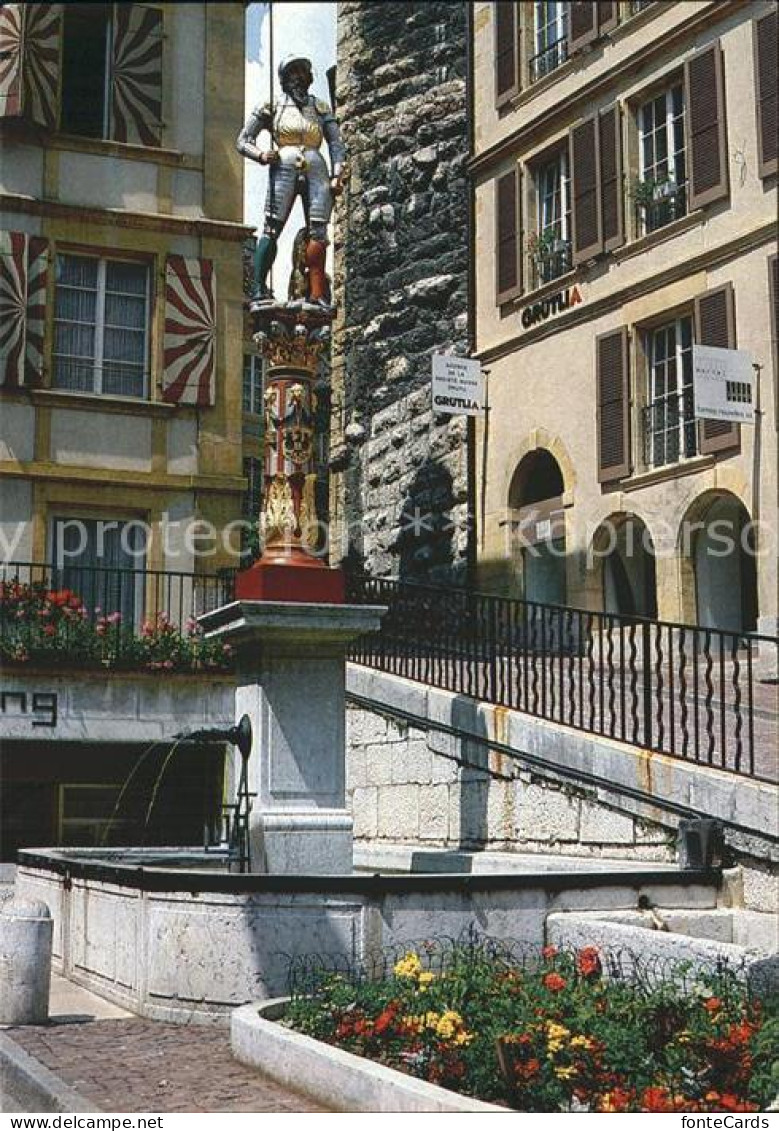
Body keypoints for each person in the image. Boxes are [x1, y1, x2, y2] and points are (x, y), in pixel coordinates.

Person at [236, 55, 347, 310]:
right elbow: (243, 140)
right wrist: (262, 155)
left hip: (316, 167)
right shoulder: (272, 106)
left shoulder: (320, 108)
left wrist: (337, 173)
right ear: (284, 79)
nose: (298, 77)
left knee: (318, 231)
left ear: (308, 78)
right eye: (292, 72)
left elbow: (335, 143)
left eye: (302, 72)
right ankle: (258, 288)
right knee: (272, 227)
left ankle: (318, 292)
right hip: (284, 164)